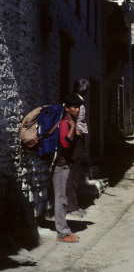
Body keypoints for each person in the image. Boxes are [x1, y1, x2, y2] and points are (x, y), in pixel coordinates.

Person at [52, 93, 82, 242]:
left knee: (63, 199)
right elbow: (65, 143)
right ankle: (61, 233)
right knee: (60, 199)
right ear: (68, 108)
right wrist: (73, 127)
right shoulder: (65, 123)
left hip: (64, 166)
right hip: (59, 167)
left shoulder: (67, 122)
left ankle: (65, 229)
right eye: (75, 107)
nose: (77, 110)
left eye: (79, 107)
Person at [66, 78, 90, 217]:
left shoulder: (76, 99)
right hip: (75, 140)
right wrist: (74, 131)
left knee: (75, 171)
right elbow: (67, 116)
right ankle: (71, 206)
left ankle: (73, 204)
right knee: (73, 172)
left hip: (77, 138)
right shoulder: (76, 101)